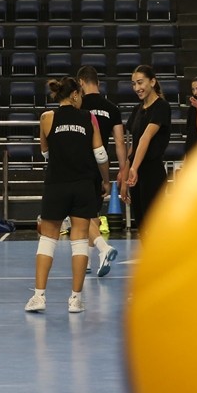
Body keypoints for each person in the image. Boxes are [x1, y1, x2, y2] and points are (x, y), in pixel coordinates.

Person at [26, 77, 109, 314]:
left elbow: (45, 152)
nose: (81, 99)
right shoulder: (88, 118)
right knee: (80, 241)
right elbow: (101, 155)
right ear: (74, 95)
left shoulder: (46, 117)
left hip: (56, 185)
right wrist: (105, 180)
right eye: (80, 95)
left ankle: (39, 297)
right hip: (83, 185)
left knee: (47, 240)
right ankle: (75, 299)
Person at [76, 65, 127, 277]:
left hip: (81, 165)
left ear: (80, 83)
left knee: (80, 214)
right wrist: (123, 170)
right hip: (100, 165)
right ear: (98, 82)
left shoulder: (78, 106)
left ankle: (102, 249)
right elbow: (120, 143)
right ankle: (89, 261)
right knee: (93, 214)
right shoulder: (112, 109)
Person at [124, 64, 172, 232]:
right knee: (142, 223)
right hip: (137, 174)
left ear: (152, 82)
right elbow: (134, 144)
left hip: (152, 172)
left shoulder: (161, 106)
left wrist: (134, 168)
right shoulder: (137, 110)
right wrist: (126, 172)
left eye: (140, 82)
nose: (137, 88)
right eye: (133, 84)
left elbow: (145, 138)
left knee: (153, 224)